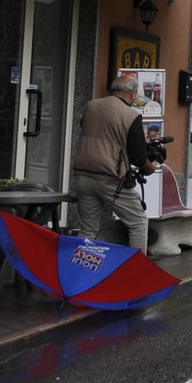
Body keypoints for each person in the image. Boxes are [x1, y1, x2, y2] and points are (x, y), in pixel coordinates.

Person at [71, 73, 156, 251]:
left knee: (88, 229)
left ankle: (79, 269)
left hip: (83, 176)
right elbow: (138, 158)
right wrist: (150, 167)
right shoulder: (131, 116)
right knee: (138, 222)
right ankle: (135, 271)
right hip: (110, 178)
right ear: (132, 94)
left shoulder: (90, 106)